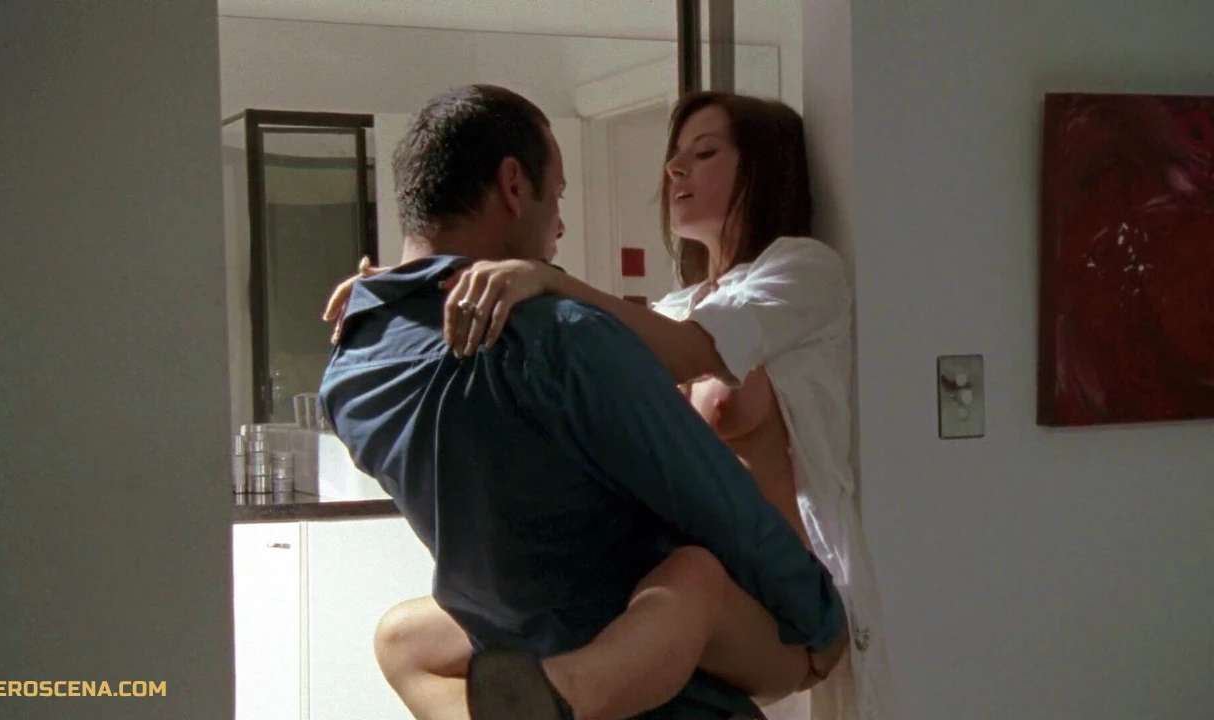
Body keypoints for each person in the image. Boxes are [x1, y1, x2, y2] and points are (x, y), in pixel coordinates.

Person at [325, 90, 900, 720]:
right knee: (402, 636)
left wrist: (538, 282)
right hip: (658, 591)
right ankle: (539, 705)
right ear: (515, 187)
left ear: (764, 169)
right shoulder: (661, 309)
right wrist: (401, 294)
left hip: (772, 591)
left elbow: (688, 354)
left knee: (692, 578)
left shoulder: (800, 270)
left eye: (704, 153)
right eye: (675, 155)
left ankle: (565, 695)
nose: (674, 169)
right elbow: (604, 357)